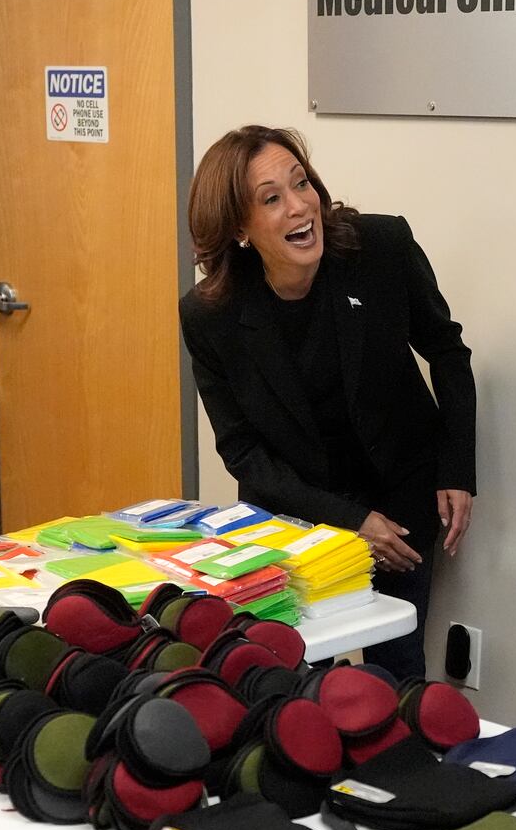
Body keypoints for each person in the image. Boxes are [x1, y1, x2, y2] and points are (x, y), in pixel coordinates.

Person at [179, 126, 476, 679]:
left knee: (396, 669)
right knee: (296, 673)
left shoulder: (381, 247)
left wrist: (458, 468)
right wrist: (348, 519)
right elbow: (243, 451)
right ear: (240, 229)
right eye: (272, 199)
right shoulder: (210, 314)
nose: (300, 206)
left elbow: (448, 352)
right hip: (295, 513)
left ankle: (400, 765)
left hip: (400, 497)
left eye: (301, 183)